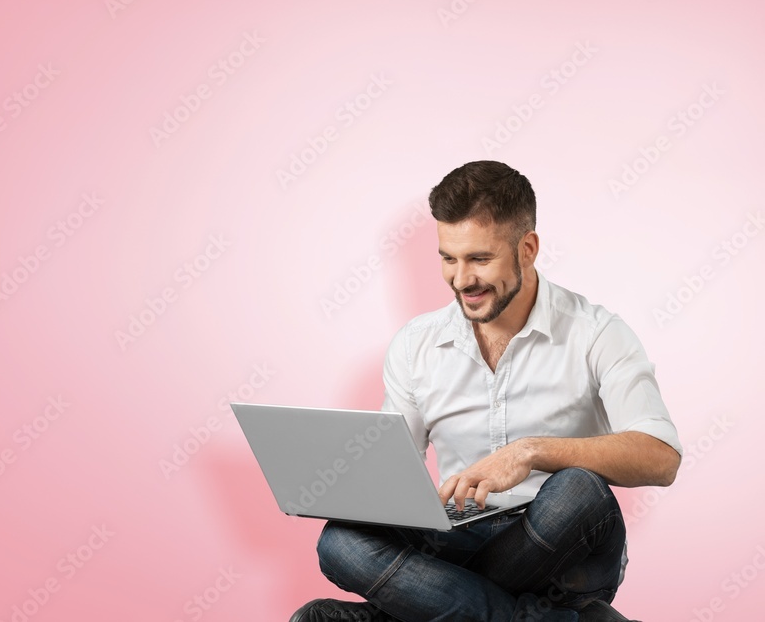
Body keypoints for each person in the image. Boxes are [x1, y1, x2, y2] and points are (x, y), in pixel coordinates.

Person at [290, 161, 682, 622]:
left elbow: (661, 457)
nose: (461, 280)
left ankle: (428, 607)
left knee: (579, 489)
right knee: (339, 542)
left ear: (528, 248)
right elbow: (393, 474)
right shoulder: (416, 345)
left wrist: (531, 452)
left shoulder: (598, 333)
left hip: (560, 546)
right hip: (455, 542)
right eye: (447, 258)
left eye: (479, 259)